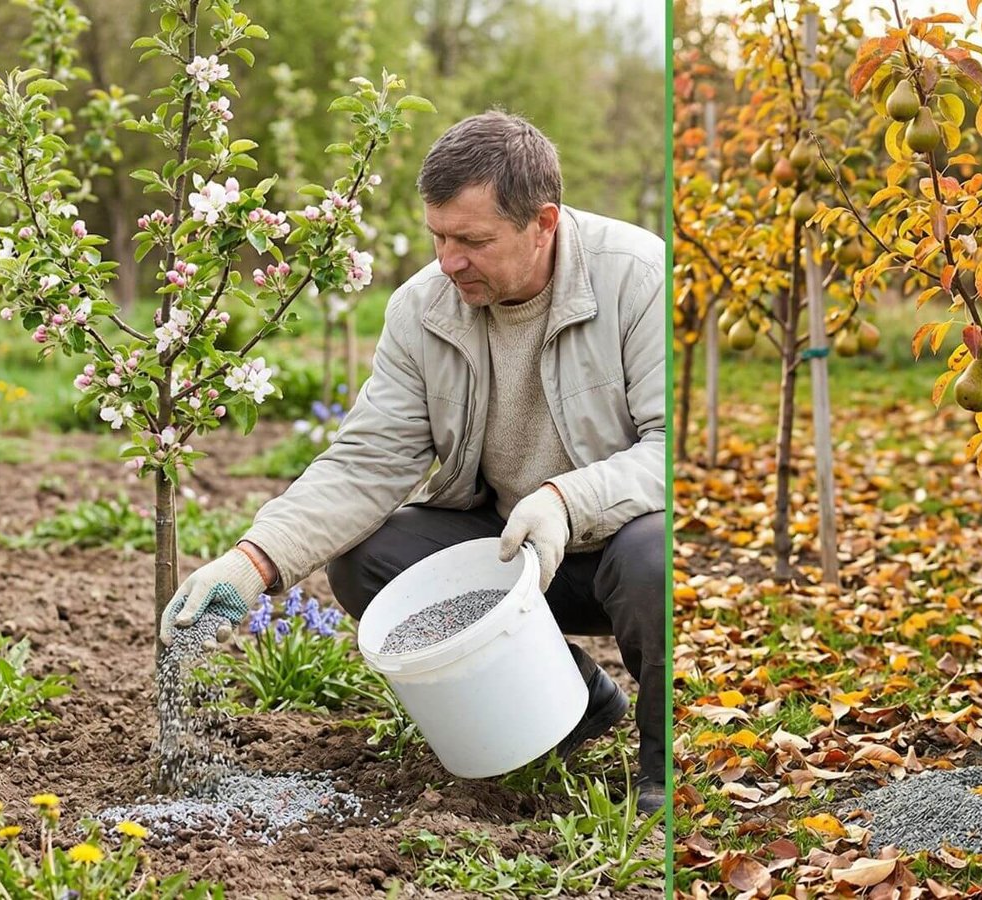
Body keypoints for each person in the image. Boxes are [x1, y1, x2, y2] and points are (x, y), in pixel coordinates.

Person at [158, 111, 666, 814]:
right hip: (512, 552)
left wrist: (564, 501)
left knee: (656, 556)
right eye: (438, 236)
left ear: (543, 223)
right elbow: (367, 460)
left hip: (620, 551)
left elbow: (670, 450)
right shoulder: (424, 309)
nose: (449, 261)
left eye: (473, 241)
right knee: (368, 558)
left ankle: (662, 770)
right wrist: (255, 561)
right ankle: (576, 699)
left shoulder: (638, 279)